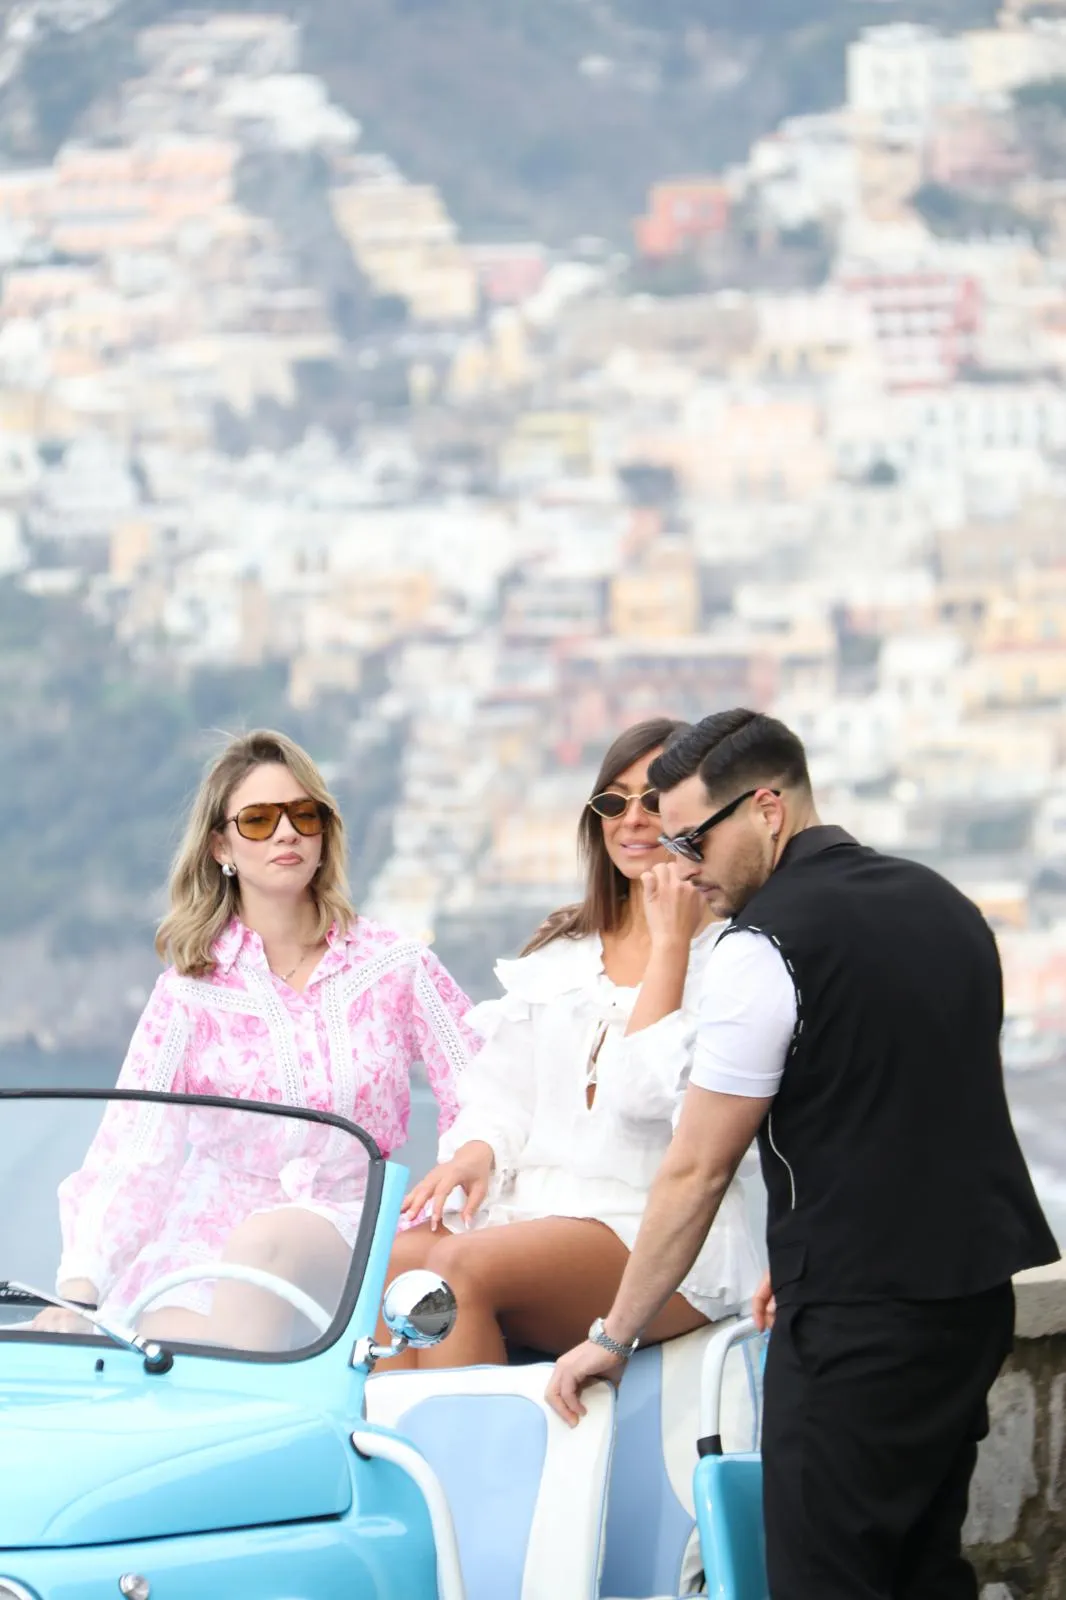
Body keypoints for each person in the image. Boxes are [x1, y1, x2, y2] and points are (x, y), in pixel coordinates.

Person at [547, 708, 1060, 1600]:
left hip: (860, 1320)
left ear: (767, 809)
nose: (683, 865)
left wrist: (613, 1335)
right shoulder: (946, 907)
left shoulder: (762, 947)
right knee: (924, 1571)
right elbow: (905, 1105)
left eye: (695, 840)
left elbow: (698, 1168)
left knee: (825, 1579)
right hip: (970, 1303)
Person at [34, 729, 477, 1352]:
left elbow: (483, 1084)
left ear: (324, 833)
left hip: (347, 1225)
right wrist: (79, 1289)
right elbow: (135, 1145)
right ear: (222, 845)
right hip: (203, 1239)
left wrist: (459, 1168)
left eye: (303, 815)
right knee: (166, 1348)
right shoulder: (188, 992)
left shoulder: (395, 965)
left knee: (267, 1245)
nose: (286, 833)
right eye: (260, 820)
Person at [382, 717, 762, 1368]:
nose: (632, 820)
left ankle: (470, 1442)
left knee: (457, 1270)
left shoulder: (733, 958)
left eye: (654, 801)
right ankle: (398, 1438)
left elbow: (646, 1101)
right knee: (398, 1263)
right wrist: (477, 1152)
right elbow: (506, 1095)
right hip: (541, 1209)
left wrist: (671, 944)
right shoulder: (564, 950)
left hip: (659, 1231)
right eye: (614, 802)